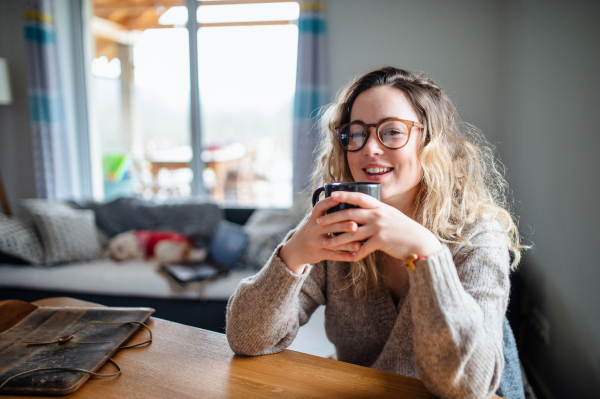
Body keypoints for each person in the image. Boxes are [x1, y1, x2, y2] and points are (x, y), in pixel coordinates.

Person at [226, 67, 526, 399]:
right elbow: (246, 339)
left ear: (430, 141)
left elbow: (466, 385)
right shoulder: (338, 221)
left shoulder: (477, 237)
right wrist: (292, 256)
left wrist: (427, 252)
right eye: (357, 133)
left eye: (392, 132)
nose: (369, 148)